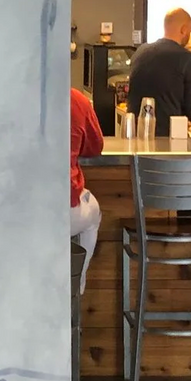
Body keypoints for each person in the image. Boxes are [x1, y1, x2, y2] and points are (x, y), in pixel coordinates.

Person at [125, 7, 191, 128]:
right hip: (169, 136)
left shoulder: (140, 52)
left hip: (137, 131)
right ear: (184, 29)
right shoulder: (188, 59)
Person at [69, 88, 105, 291]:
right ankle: (76, 288)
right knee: (93, 212)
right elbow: (95, 147)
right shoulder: (76, 99)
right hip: (64, 210)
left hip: (17, 211)